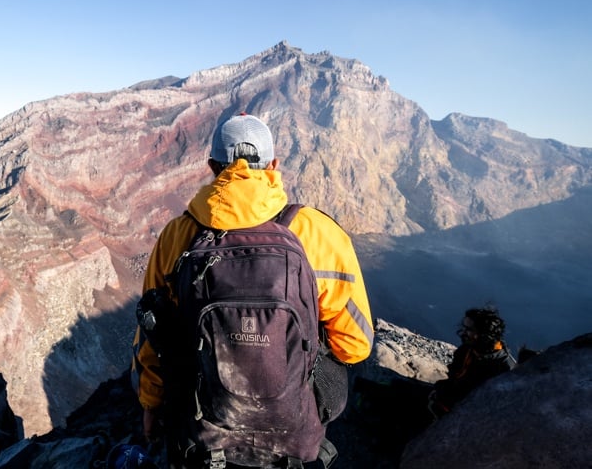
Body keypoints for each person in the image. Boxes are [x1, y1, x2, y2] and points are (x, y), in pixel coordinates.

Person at [131, 112, 374, 468]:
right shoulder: (318, 233)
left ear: (212, 166)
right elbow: (356, 347)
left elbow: (152, 335)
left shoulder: (177, 236)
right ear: (274, 165)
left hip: (204, 430)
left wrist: (151, 405)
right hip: (292, 436)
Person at [429, 306, 516, 416]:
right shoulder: (468, 350)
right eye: (464, 327)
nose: (464, 332)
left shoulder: (502, 368)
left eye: (469, 329)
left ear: (485, 334)